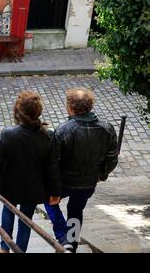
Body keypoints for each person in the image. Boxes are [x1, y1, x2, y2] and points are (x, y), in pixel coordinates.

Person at [0, 91, 60, 253]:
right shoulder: (47, 136)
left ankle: (5, 247)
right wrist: (55, 192)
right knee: (26, 219)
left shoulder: (8, 134)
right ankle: (20, 250)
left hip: (9, 186)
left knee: (8, 211)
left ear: (18, 112)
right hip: (33, 189)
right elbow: (52, 167)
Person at [44, 88, 118, 252]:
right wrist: (100, 175)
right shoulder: (107, 129)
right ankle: (73, 244)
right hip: (88, 184)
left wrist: (53, 187)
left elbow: (53, 163)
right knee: (76, 210)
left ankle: (63, 237)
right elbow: (112, 158)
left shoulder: (64, 131)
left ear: (70, 107)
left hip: (65, 182)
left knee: (48, 200)